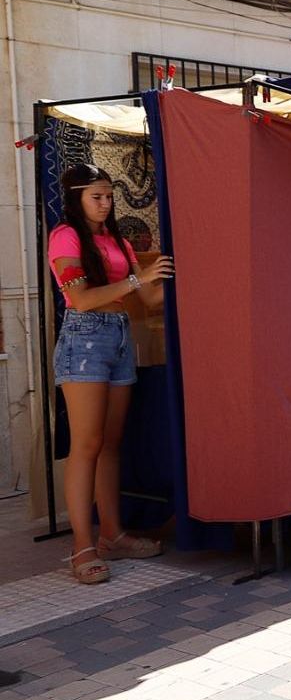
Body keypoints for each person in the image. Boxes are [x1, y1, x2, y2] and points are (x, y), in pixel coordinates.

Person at [48, 164, 173, 584]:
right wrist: (138, 278)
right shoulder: (64, 236)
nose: (105, 203)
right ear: (76, 198)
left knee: (110, 445)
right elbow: (80, 298)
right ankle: (81, 546)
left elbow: (148, 300)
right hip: (84, 340)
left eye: (108, 196)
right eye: (96, 196)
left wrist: (169, 275)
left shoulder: (116, 239)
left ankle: (112, 535)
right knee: (87, 444)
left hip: (119, 337)